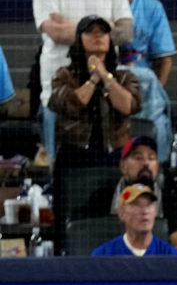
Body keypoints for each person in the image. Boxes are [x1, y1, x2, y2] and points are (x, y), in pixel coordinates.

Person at [33, 0, 133, 163]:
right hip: (61, 95)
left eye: (100, 30)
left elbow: (125, 32)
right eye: (91, 30)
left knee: (113, 167)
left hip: (108, 92)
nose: (96, 35)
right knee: (60, 171)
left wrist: (72, 26)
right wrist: (105, 26)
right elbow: (56, 33)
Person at [48, 15, 142, 175]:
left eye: (103, 32)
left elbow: (128, 106)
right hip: (75, 153)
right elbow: (72, 104)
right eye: (90, 31)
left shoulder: (125, 77)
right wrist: (94, 78)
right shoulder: (64, 75)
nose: (98, 35)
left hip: (114, 153)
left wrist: (104, 75)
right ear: (79, 39)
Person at [110, 135, 177, 255]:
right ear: (123, 166)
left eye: (151, 158)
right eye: (138, 158)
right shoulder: (101, 199)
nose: (145, 163)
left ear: (157, 166)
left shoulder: (173, 202)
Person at [106, 0, 175, 88]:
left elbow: (165, 59)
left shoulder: (153, 7)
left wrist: (156, 92)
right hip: (104, 84)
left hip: (140, 87)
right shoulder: (98, 3)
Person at [92, 183, 177, 256]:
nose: (145, 211)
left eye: (149, 205)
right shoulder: (103, 255)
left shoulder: (170, 255)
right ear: (122, 214)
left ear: (155, 212)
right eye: (136, 205)